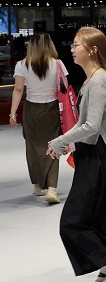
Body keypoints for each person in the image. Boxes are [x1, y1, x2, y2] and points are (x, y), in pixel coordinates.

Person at [47, 27, 106, 282]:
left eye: (77, 45)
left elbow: (92, 126)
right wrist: (67, 143)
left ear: (92, 50)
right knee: (94, 218)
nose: (72, 49)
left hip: (98, 157)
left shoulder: (97, 82)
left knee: (72, 221)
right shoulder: (93, 79)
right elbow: (88, 125)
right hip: (95, 154)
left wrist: (60, 141)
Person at [11, 32, 65, 204]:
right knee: (53, 145)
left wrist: (12, 113)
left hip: (32, 109)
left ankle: (37, 185)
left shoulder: (22, 64)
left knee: (33, 146)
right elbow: (64, 89)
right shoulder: (58, 64)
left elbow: (18, 90)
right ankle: (52, 188)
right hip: (52, 109)